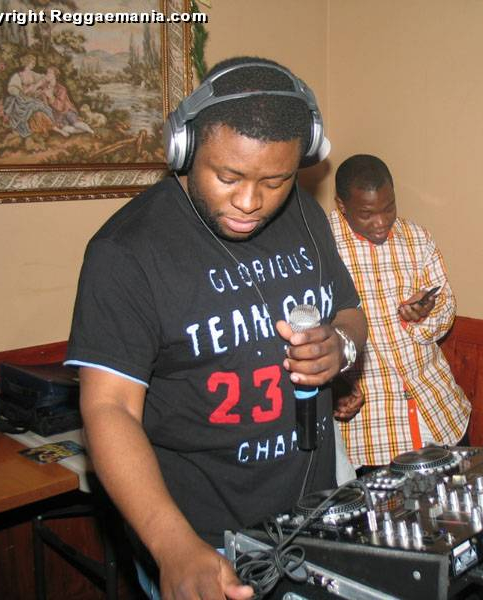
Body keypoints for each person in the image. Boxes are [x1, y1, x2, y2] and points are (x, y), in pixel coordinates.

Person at [65, 57, 367, 600]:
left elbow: (348, 311)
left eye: (275, 180)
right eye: (227, 177)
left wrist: (340, 347)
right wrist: (172, 546)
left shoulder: (306, 214)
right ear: (185, 149)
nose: (250, 203)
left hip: (315, 525)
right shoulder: (127, 252)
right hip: (201, 543)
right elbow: (109, 409)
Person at [329, 154, 471, 469]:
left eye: (389, 208)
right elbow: (311, 332)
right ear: (342, 205)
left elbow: (446, 308)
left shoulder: (417, 238)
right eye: (367, 214)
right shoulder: (321, 247)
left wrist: (425, 313)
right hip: (372, 431)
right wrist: (335, 386)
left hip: (439, 413)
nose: (381, 222)